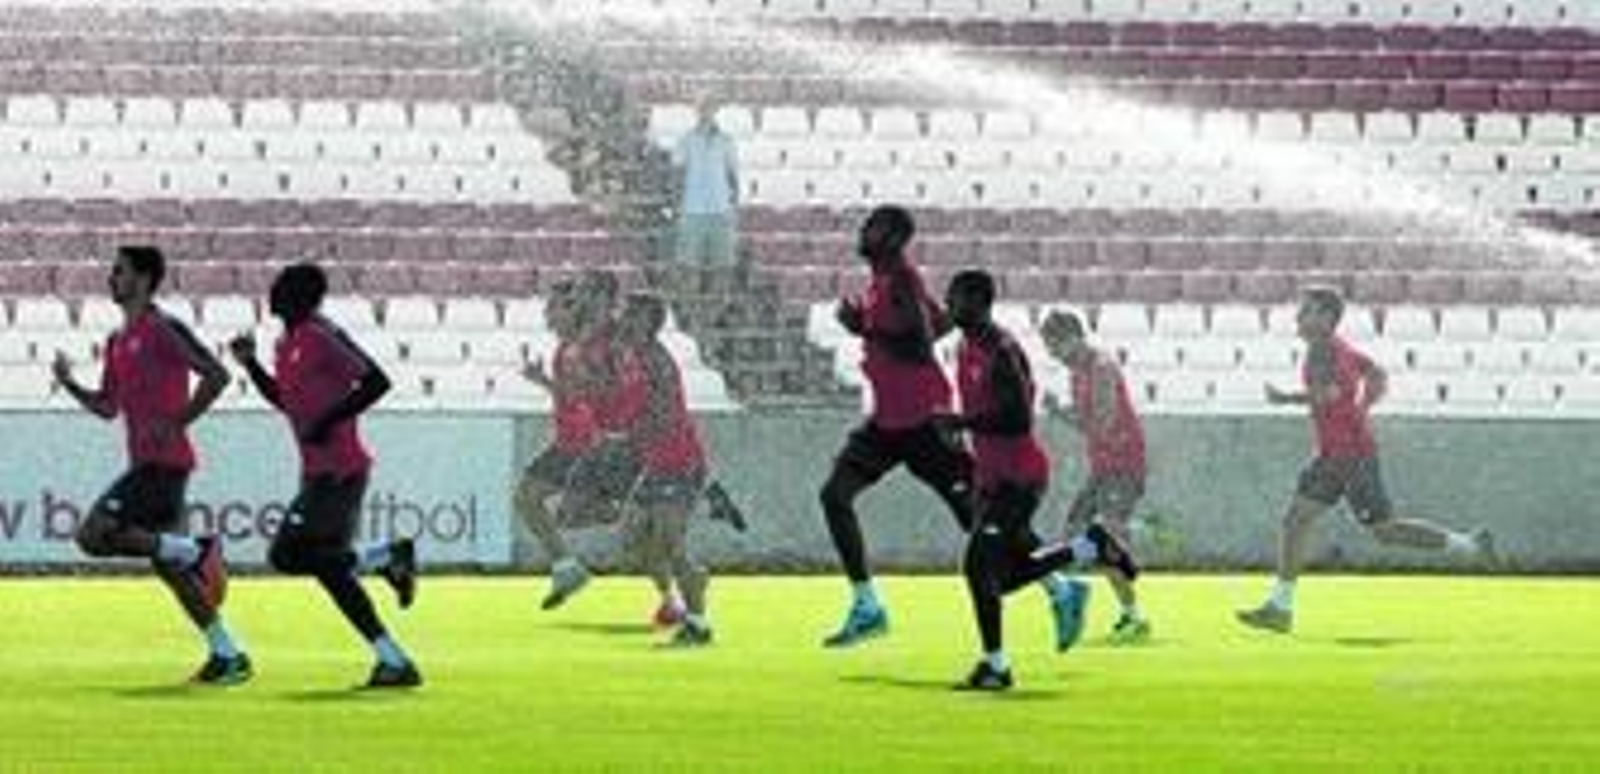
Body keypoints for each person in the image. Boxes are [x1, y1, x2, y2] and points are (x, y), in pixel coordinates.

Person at [817, 205, 1083, 649]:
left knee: (979, 521)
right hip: (887, 420)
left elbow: (920, 345)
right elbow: (938, 324)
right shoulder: (887, 281)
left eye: (873, 227)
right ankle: (867, 605)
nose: (863, 233)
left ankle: (1060, 588)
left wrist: (862, 328)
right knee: (834, 495)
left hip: (924, 422)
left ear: (893, 237)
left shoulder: (901, 280)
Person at [1237, 287, 1497, 634]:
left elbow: (1330, 394)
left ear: (1327, 318)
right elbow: (1375, 372)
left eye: (1306, 312)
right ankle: (1468, 545)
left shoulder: (1325, 351)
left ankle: (1281, 608)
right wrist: (1366, 404)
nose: (1298, 318)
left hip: (1346, 455)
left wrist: (1285, 398)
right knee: (1375, 530)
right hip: (1343, 452)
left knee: (1305, 522)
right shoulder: (1339, 348)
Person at [52, 245, 247, 685]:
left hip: (164, 463)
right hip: (150, 462)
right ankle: (228, 654)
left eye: (118, 271)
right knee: (171, 569)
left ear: (142, 278)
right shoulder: (118, 341)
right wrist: (69, 384)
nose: (110, 278)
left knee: (93, 535)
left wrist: (177, 422)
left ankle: (197, 550)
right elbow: (107, 407)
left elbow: (216, 374)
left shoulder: (162, 328)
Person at [230, 262, 421, 688]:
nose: (272, 293)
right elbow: (286, 401)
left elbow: (376, 381)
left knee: (286, 554)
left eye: (282, 287)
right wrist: (251, 365)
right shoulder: (287, 343)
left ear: (302, 296)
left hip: (339, 472)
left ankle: (387, 559)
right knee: (332, 572)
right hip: (318, 473)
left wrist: (329, 420)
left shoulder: (321, 335)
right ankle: (393, 659)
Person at [944, 271, 1136, 690]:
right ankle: (1088, 548)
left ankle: (996, 666)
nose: (949, 303)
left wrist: (962, 420)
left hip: (1020, 476)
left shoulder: (1002, 351)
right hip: (994, 475)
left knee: (980, 568)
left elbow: (1017, 418)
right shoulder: (965, 347)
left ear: (979, 302)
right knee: (1005, 574)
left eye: (956, 298)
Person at [1040, 310, 1152, 644]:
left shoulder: (1101, 368)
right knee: (1075, 535)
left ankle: (1134, 615)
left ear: (1073, 337)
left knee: (1098, 540)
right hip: (1104, 467)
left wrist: (1063, 415)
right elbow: (1089, 421)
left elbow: (1100, 424)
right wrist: (1062, 412)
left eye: (1055, 346)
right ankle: (1131, 544)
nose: (1053, 355)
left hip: (1124, 465)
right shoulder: (1077, 372)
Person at [613, 293, 718, 647]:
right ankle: (677, 596)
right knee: (633, 538)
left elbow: (659, 415)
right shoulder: (637, 357)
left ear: (647, 323)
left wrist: (626, 425)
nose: (623, 319)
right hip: (658, 463)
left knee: (672, 543)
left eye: (631, 315)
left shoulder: (655, 362)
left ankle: (699, 623)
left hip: (680, 463)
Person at [673, 98, 740, 267]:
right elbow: (677, 173)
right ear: (697, 111)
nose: (706, 112)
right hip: (693, 209)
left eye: (709, 109)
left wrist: (733, 206)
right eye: (702, 109)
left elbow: (732, 176)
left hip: (720, 209)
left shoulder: (727, 140)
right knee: (689, 264)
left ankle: (722, 294)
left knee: (723, 264)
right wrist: (678, 205)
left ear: (715, 111)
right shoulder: (686, 140)